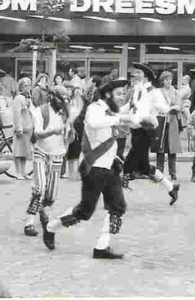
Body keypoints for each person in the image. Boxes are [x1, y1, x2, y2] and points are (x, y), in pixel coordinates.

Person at [42, 78, 180, 258]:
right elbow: (95, 123)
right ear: (108, 95)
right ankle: (51, 227)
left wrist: (146, 119)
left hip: (110, 167)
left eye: (123, 94)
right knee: (85, 211)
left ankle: (101, 247)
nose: (121, 98)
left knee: (117, 206)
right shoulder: (94, 109)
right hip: (94, 167)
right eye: (118, 94)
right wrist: (123, 117)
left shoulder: (111, 110)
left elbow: (133, 119)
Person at [23, 86, 71, 237]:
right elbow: (37, 133)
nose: (62, 103)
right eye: (60, 99)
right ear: (51, 97)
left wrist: (69, 137)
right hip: (41, 153)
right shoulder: (41, 111)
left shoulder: (66, 112)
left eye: (64, 100)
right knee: (39, 188)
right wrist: (52, 131)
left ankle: (42, 209)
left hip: (57, 155)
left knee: (51, 196)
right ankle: (29, 222)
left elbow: (69, 134)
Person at [150, 71, 183, 180]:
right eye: (166, 79)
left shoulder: (176, 92)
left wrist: (174, 107)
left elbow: (179, 105)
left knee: (172, 149)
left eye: (170, 79)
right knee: (160, 149)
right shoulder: (158, 92)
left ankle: (173, 173)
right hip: (161, 120)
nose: (169, 81)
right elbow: (156, 105)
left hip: (172, 121)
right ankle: (159, 172)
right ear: (162, 81)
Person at [12, 77, 33, 180]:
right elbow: (16, 114)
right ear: (21, 87)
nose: (28, 87)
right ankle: (18, 172)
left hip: (28, 128)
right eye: (25, 85)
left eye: (29, 85)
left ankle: (24, 172)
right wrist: (18, 128)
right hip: (21, 129)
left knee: (25, 152)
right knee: (18, 152)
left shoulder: (28, 98)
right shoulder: (18, 98)